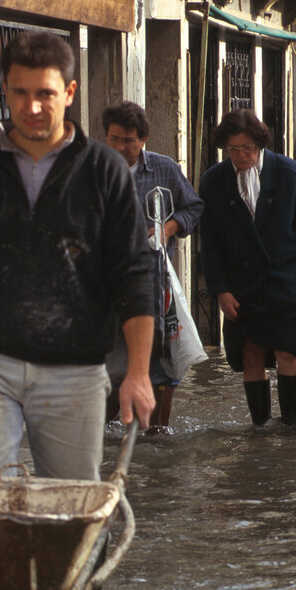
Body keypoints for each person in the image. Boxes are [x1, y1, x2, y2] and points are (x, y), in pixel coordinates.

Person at [0, 30, 156, 481]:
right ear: (5, 89)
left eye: (45, 94)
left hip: (76, 368)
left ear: (70, 93)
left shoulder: (104, 170)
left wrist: (137, 372)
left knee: (71, 506)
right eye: (20, 92)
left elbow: (134, 273)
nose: (32, 107)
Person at [198, 109, 296, 426]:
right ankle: (259, 425)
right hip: (241, 285)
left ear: (259, 144)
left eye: (247, 148)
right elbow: (211, 241)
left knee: (287, 351)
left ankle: (291, 424)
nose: (241, 155)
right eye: (233, 149)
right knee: (250, 354)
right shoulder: (214, 181)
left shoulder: (289, 173)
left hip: (284, 280)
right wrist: (220, 289)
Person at [101, 100, 205, 434]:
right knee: (110, 367)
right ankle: (109, 432)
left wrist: (168, 228)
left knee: (162, 364)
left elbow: (193, 207)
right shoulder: (93, 172)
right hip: (107, 289)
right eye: (114, 139)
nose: (120, 147)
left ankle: (157, 436)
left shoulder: (164, 169)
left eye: (128, 141)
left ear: (143, 140)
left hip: (156, 286)